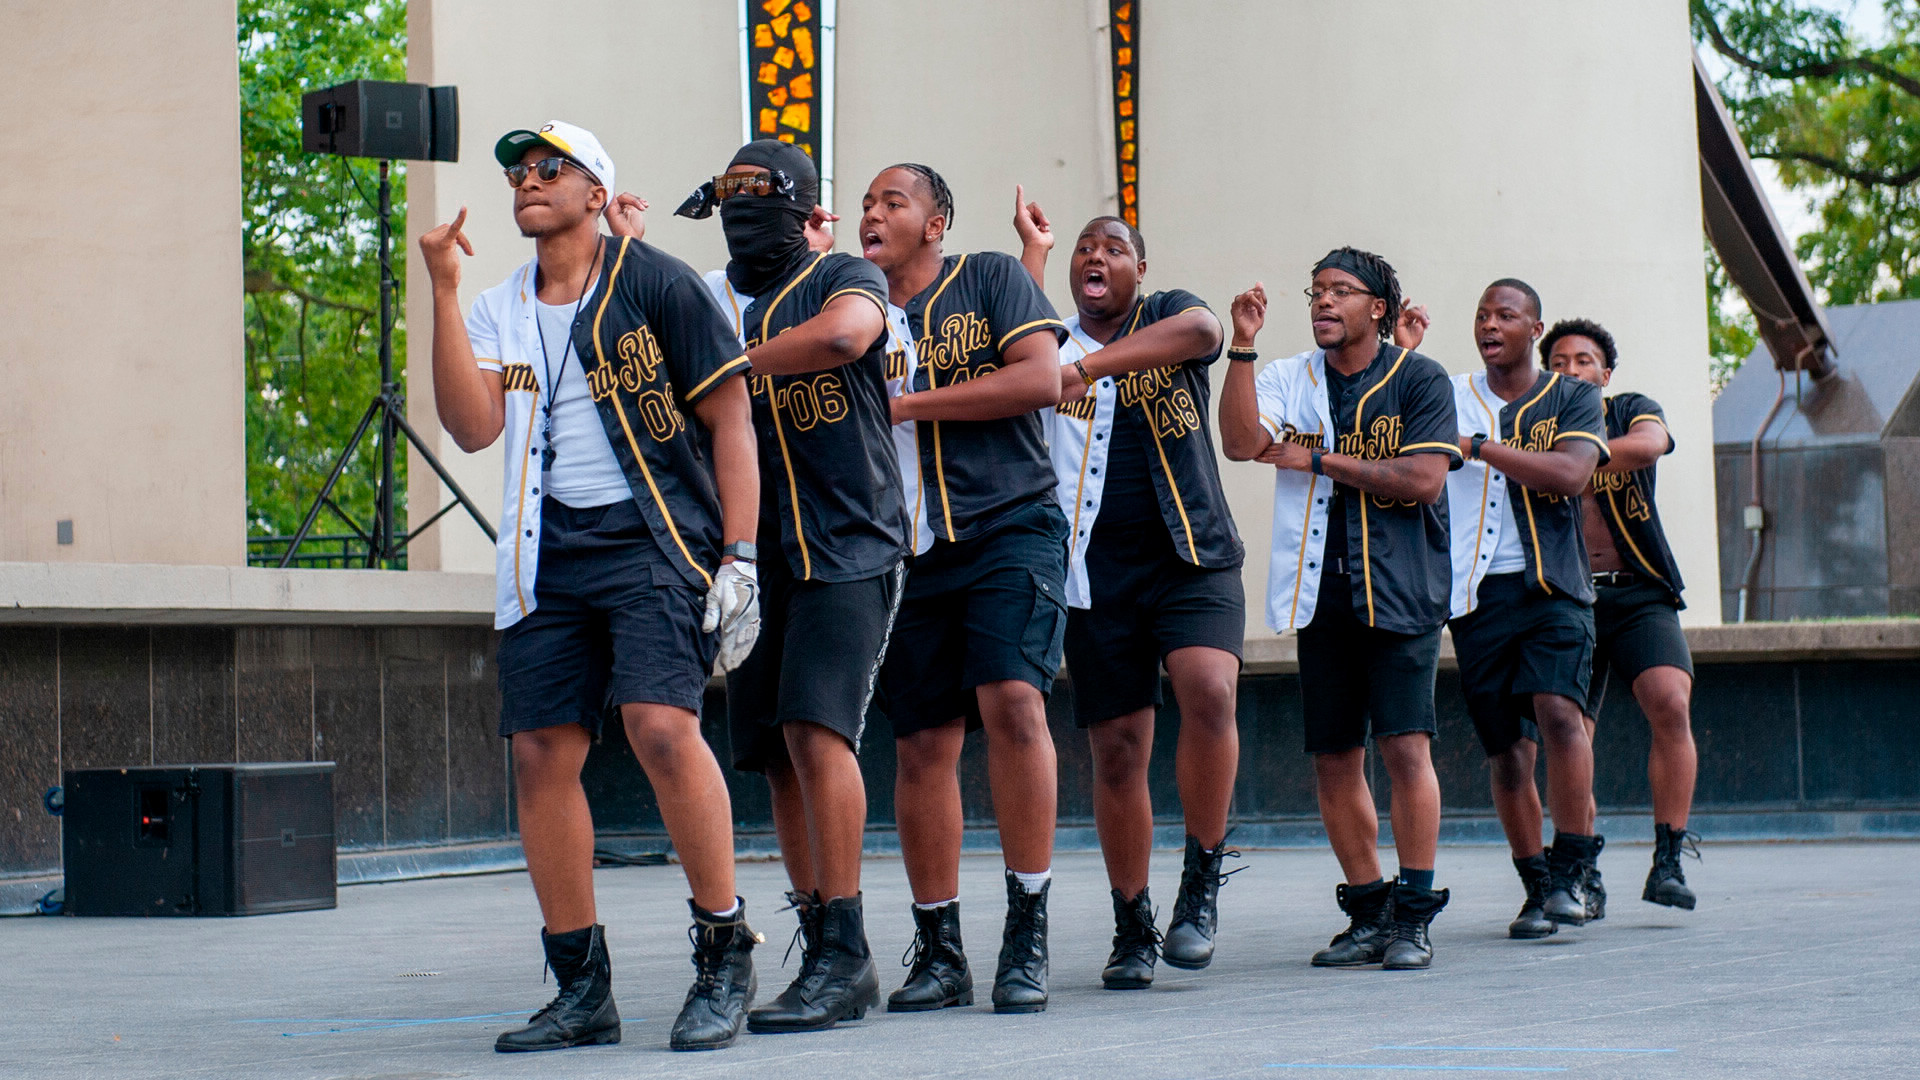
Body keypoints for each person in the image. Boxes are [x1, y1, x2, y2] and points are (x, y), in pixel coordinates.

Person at [418, 121, 762, 1053]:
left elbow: (732, 422)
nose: (527, 181)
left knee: (660, 727)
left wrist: (741, 555)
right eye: (518, 173)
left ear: (595, 189)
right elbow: (473, 427)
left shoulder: (657, 282)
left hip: (654, 534)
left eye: (548, 168)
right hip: (546, 550)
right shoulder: (499, 303)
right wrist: (445, 293)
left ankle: (724, 950)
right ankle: (581, 987)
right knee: (538, 753)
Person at [647, 139, 907, 1033]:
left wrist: (731, 366)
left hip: (852, 540)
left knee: (816, 726)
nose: (740, 207)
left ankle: (848, 950)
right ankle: (817, 932)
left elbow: (844, 338)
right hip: (753, 554)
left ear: (798, 205)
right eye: (729, 194)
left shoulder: (842, 274)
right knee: (771, 753)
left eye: (758, 193)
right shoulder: (706, 295)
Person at [1012, 198, 1245, 989]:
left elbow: (1206, 332)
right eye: (1085, 250)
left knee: (1209, 689)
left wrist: (1088, 368)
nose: (1095, 258)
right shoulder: (1051, 343)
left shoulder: (1169, 315)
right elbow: (1020, 352)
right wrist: (1035, 256)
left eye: (1112, 247)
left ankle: (1202, 878)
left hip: (1193, 553)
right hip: (1093, 570)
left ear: (1139, 268)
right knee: (1117, 751)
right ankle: (1132, 922)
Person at [858, 163, 1069, 1014]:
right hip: (904, 550)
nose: (873, 214)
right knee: (920, 745)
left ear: (936, 221)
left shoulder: (987, 275)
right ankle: (941, 949)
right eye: (866, 204)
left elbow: (1039, 379)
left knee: (1015, 702)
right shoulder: (854, 308)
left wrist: (905, 406)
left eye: (892, 202)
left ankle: (1028, 926)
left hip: (1009, 523)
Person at [1218, 249, 1460, 970]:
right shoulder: (1291, 377)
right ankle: (1368, 908)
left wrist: (1318, 460)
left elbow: (1421, 478)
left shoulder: (1420, 379)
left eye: (1339, 292)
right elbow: (1239, 443)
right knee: (1332, 757)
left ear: (1378, 307)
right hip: (1319, 591)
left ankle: (1414, 913)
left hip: (1403, 588)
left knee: (1405, 747)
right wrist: (1241, 345)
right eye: (1315, 292)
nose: (1322, 302)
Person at [1441, 280, 1610, 939]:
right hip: (1476, 597)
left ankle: (1573, 868)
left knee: (1560, 715)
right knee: (1508, 755)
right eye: (1481, 313)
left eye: (1504, 314)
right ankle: (1536, 885)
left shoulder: (1571, 396)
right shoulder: (1450, 394)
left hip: (1554, 588)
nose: (1489, 323)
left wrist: (1480, 447)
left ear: (1533, 329)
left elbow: (1570, 475)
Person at [1542, 318, 1701, 910]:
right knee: (1570, 735)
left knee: (1671, 700)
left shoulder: (1627, 408)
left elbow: (1652, 443)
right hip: (1565, 596)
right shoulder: (1529, 425)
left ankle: (1669, 858)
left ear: (1604, 374)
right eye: (1557, 362)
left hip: (1637, 591)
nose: (1571, 370)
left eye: (1583, 361)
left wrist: (1577, 460)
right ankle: (1582, 865)